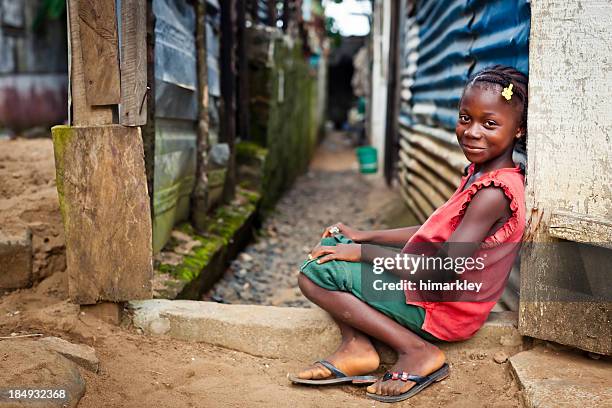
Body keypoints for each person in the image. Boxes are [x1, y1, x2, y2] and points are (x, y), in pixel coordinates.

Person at [288, 65, 528, 403]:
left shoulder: (494, 192)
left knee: (315, 273)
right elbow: (434, 230)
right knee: (333, 245)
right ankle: (357, 348)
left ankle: (416, 351)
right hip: (434, 292)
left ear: (518, 130)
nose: (472, 133)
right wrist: (364, 237)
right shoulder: (481, 174)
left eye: (489, 124)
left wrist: (362, 254)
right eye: (465, 118)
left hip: (444, 307)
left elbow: (443, 270)